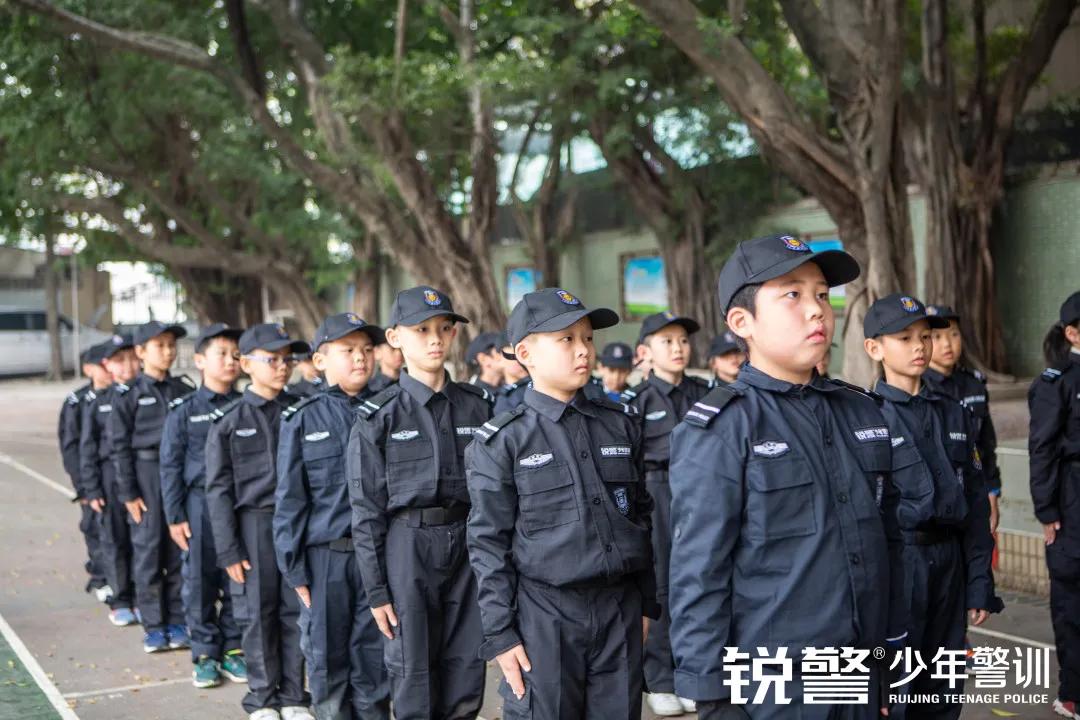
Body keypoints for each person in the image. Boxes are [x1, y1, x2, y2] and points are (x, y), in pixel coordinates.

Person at [667, 235, 905, 719]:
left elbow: (888, 547)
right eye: (792, 295)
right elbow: (698, 576)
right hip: (775, 690)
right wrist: (714, 701)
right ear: (742, 323)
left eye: (822, 294)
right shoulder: (724, 427)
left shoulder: (860, 412)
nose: (817, 310)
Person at [466, 287, 659, 719]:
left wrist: (646, 603)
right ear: (524, 353)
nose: (583, 351)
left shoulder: (619, 426)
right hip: (544, 617)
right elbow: (487, 543)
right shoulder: (504, 441)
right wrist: (502, 634)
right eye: (566, 339)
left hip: (619, 609)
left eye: (587, 338)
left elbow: (641, 516)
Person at [348, 287, 493, 720]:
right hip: (407, 547)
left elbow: (496, 495)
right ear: (395, 338)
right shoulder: (379, 416)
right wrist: (377, 591)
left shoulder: (477, 407)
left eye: (444, 329)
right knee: (412, 669)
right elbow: (366, 510)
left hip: (468, 543)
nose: (435, 339)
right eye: (421, 330)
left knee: (467, 663)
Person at [863, 294, 999, 719]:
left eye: (925, 335)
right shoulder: (865, 419)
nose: (919, 346)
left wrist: (979, 581)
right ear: (875, 348)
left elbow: (975, 506)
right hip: (900, 566)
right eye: (904, 338)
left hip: (949, 565)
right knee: (898, 692)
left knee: (943, 688)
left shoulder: (952, 412)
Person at [274, 313, 390, 720]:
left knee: (375, 661)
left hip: (378, 558)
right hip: (326, 560)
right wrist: (294, 569)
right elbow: (290, 500)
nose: (360, 358)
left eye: (366, 350)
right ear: (319, 361)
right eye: (348, 351)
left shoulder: (388, 410)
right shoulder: (303, 419)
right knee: (327, 661)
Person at [206, 323, 313, 720]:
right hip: (253, 526)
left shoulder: (301, 411)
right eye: (272, 359)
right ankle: (263, 698)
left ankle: (292, 694)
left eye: (287, 359)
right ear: (245, 363)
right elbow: (217, 490)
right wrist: (229, 548)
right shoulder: (230, 421)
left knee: (294, 610)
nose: (282, 367)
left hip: (298, 525)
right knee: (256, 613)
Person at [619, 311, 709, 717]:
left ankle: (696, 674)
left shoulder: (706, 392)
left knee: (702, 581)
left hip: (704, 492)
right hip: (657, 492)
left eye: (683, 341)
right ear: (646, 351)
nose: (677, 348)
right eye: (667, 341)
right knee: (660, 586)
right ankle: (660, 678)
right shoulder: (635, 402)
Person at [160, 323, 247, 688]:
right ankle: (205, 654)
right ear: (199, 360)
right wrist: (175, 516)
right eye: (221, 354)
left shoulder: (248, 405)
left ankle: (232, 649)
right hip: (199, 507)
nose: (230, 361)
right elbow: (170, 465)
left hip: (240, 505)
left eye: (236, 355)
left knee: (238, 578)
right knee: (199, 581)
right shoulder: (184, 410)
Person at [111, 320, 197, 653]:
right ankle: (154, 624)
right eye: (160, 346)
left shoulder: (183, 390)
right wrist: (129, 493)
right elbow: (119, 448)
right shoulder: (130, 395)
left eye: (171, 345)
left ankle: (177, 620)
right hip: (146, 476)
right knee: (148, 551)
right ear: (141, 352)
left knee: (178, 550)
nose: (168, 351)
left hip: (179, 476)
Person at [1029, 290, 1080, 720]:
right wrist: (1047, 511)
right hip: (1072, 498)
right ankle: (1073, 694)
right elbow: (1042, 448)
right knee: (1071, 599)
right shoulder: (1055, 382)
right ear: (1072, 333)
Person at [924, 305, 1002, 533]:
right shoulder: (918, 387)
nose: (947, 344)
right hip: (934, 503)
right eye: (937, 337)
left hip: (974, 493)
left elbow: (986, 445)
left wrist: (993, 490)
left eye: (954, 334)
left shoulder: (974, 384)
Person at [80, 334, 140, 627]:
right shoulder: (99, 402)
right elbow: (87, 449)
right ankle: (122, 599)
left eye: (132, 357)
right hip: (108, 479)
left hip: (140, 477)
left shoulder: (146, 394)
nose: (127, 365)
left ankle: (144, 597)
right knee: (114, 540)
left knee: (143, 541)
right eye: (119, 360)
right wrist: (91, 488)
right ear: (107, 365)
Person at [60, 343, 112, 602]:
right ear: (89, 369)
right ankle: (101, 577)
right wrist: (82, 486)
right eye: (103, 364)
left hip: (117, 478)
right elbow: (71, 447)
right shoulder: (77, 402)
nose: (109, 368)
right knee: (94, 528)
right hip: (91, 480)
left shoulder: (122, 396)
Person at [493, 333, 530, 414]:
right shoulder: (495, 398)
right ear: (498, 358)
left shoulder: (542, 387)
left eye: (525, 353)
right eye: (514, 355)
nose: (522, 360)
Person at [465, 330, 504, 396]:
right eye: (500, 349)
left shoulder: (509, 389)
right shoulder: (475, 397)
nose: (508, 353)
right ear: (483, 359)